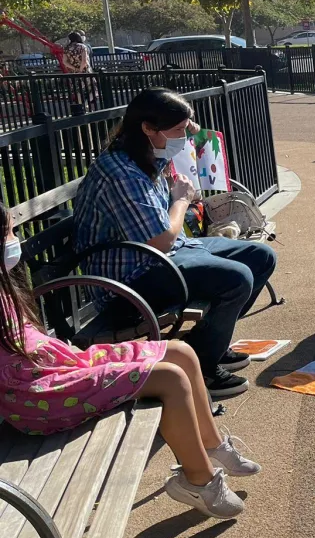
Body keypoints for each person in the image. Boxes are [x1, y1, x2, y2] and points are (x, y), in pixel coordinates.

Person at [1, 202, 259, 520]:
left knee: (180, 351)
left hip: (54, 366)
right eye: (9, 232)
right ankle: (198, 481)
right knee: (170, 380)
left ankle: (211, 444)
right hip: (35, 396)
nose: (15, 239)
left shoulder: (3, 285)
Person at [73, 88, 277, 399]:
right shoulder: (120, 172)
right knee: (237, 279)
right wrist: (181, 201)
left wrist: (190, 127)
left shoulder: (143, 152)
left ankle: (209, 345)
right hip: (129, 282)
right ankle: (202, 368)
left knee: (261, 256)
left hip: (162, 257)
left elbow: (163, 234)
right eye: (178, 130)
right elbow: (161, 240)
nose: (185, 136)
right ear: (147, 128)